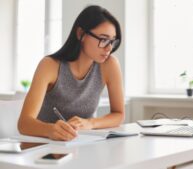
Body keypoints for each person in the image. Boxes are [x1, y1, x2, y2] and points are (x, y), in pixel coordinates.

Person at [18, 5, 124, 141]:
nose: (109, 48)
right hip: (44, 146)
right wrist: (51, 130)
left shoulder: (109, 65)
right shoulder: (49, 65)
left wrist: (90, 123)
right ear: (81, 34)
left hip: (82, 144)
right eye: (103, 39)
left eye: (112, 41)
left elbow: (119, 114)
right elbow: (24, 123)